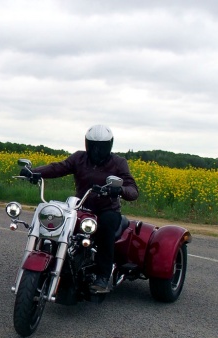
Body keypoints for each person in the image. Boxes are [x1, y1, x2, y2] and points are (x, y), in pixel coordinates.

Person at [21, 124, 139, 293]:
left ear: (109, 145)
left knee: (105, 228)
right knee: (56, 221)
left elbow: (133, 190)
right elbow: (58, 167)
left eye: (102, 146)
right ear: (87, 143)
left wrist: (119, 189)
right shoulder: (79, 158)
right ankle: (55, 263)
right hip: (81, 207)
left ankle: (102, 277)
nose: (97, 150)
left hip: (107, 210)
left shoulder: (118, 163)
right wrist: (35, 172)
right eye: (93, 145)